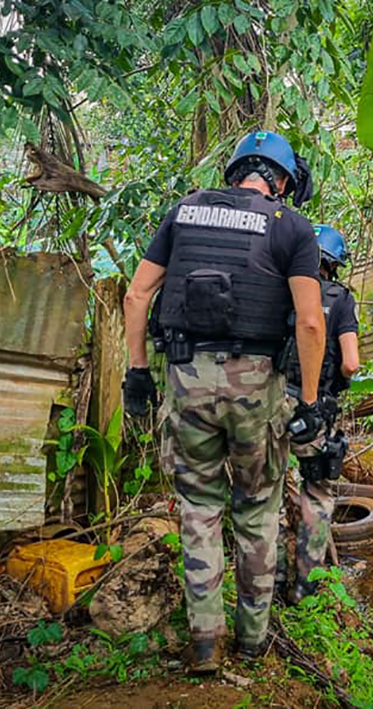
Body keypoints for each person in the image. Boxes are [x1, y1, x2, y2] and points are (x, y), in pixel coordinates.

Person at [120, 131, 326, 673]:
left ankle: (205, 645)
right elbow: (309, 319)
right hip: (257, 387)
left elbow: (137, 294)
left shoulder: (184, 212)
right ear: (281, 181)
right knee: (257, 511)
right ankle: (253, 643)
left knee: (200, 510)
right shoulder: (291, 226)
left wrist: (138, 373)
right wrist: (308, 403)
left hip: (187, 379)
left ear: (235, 172)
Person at [277, 224, 360, 604]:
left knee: (270, 489)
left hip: (271, 402)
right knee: (317, 491)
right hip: (314, 409)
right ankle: (305, 584)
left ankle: (272, 577)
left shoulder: (281, 290)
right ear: (335, 265)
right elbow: (351, 364)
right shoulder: (340, 299)